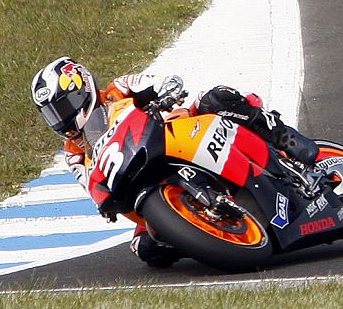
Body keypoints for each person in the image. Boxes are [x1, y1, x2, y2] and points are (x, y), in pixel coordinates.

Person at [31, 56, 317, 268]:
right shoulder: (74, 152)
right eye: (52, 114)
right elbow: (93, 186)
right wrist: (105, 202)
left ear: (81, 89)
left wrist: (171, 101)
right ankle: (201, 234)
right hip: (141, 179)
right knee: (146, 250)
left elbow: (161, 85)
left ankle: (281, 136)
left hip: (177, 135)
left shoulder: (119, 89)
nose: (61, 118)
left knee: (215, 98)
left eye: (63, 106)